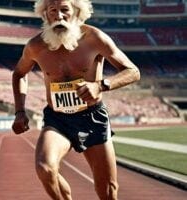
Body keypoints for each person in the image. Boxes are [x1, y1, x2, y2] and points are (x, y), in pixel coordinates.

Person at [12, 0, 140, 199]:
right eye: (53, 11)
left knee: (108, 191)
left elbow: (133, 71)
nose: (59, 16)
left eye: (65, 10)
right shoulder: (36, 46)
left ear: (77, 12)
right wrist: (20, 111)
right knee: (45, 168)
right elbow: (19, 74)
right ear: (45, 15)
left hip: (92, 118)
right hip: (58, 119)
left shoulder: (95, 38)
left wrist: (100, 85)